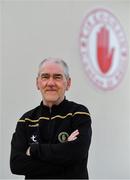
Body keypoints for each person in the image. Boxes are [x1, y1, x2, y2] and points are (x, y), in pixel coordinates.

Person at [10, 58, 92, 179]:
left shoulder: (79, 114)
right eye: (45, 77)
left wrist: (33, 150)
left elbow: (77, 153)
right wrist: (65, 160)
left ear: (68, 83)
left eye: (57, 77)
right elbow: (16, 165)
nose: (51, 83)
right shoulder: (26, 120)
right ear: (37, 83)